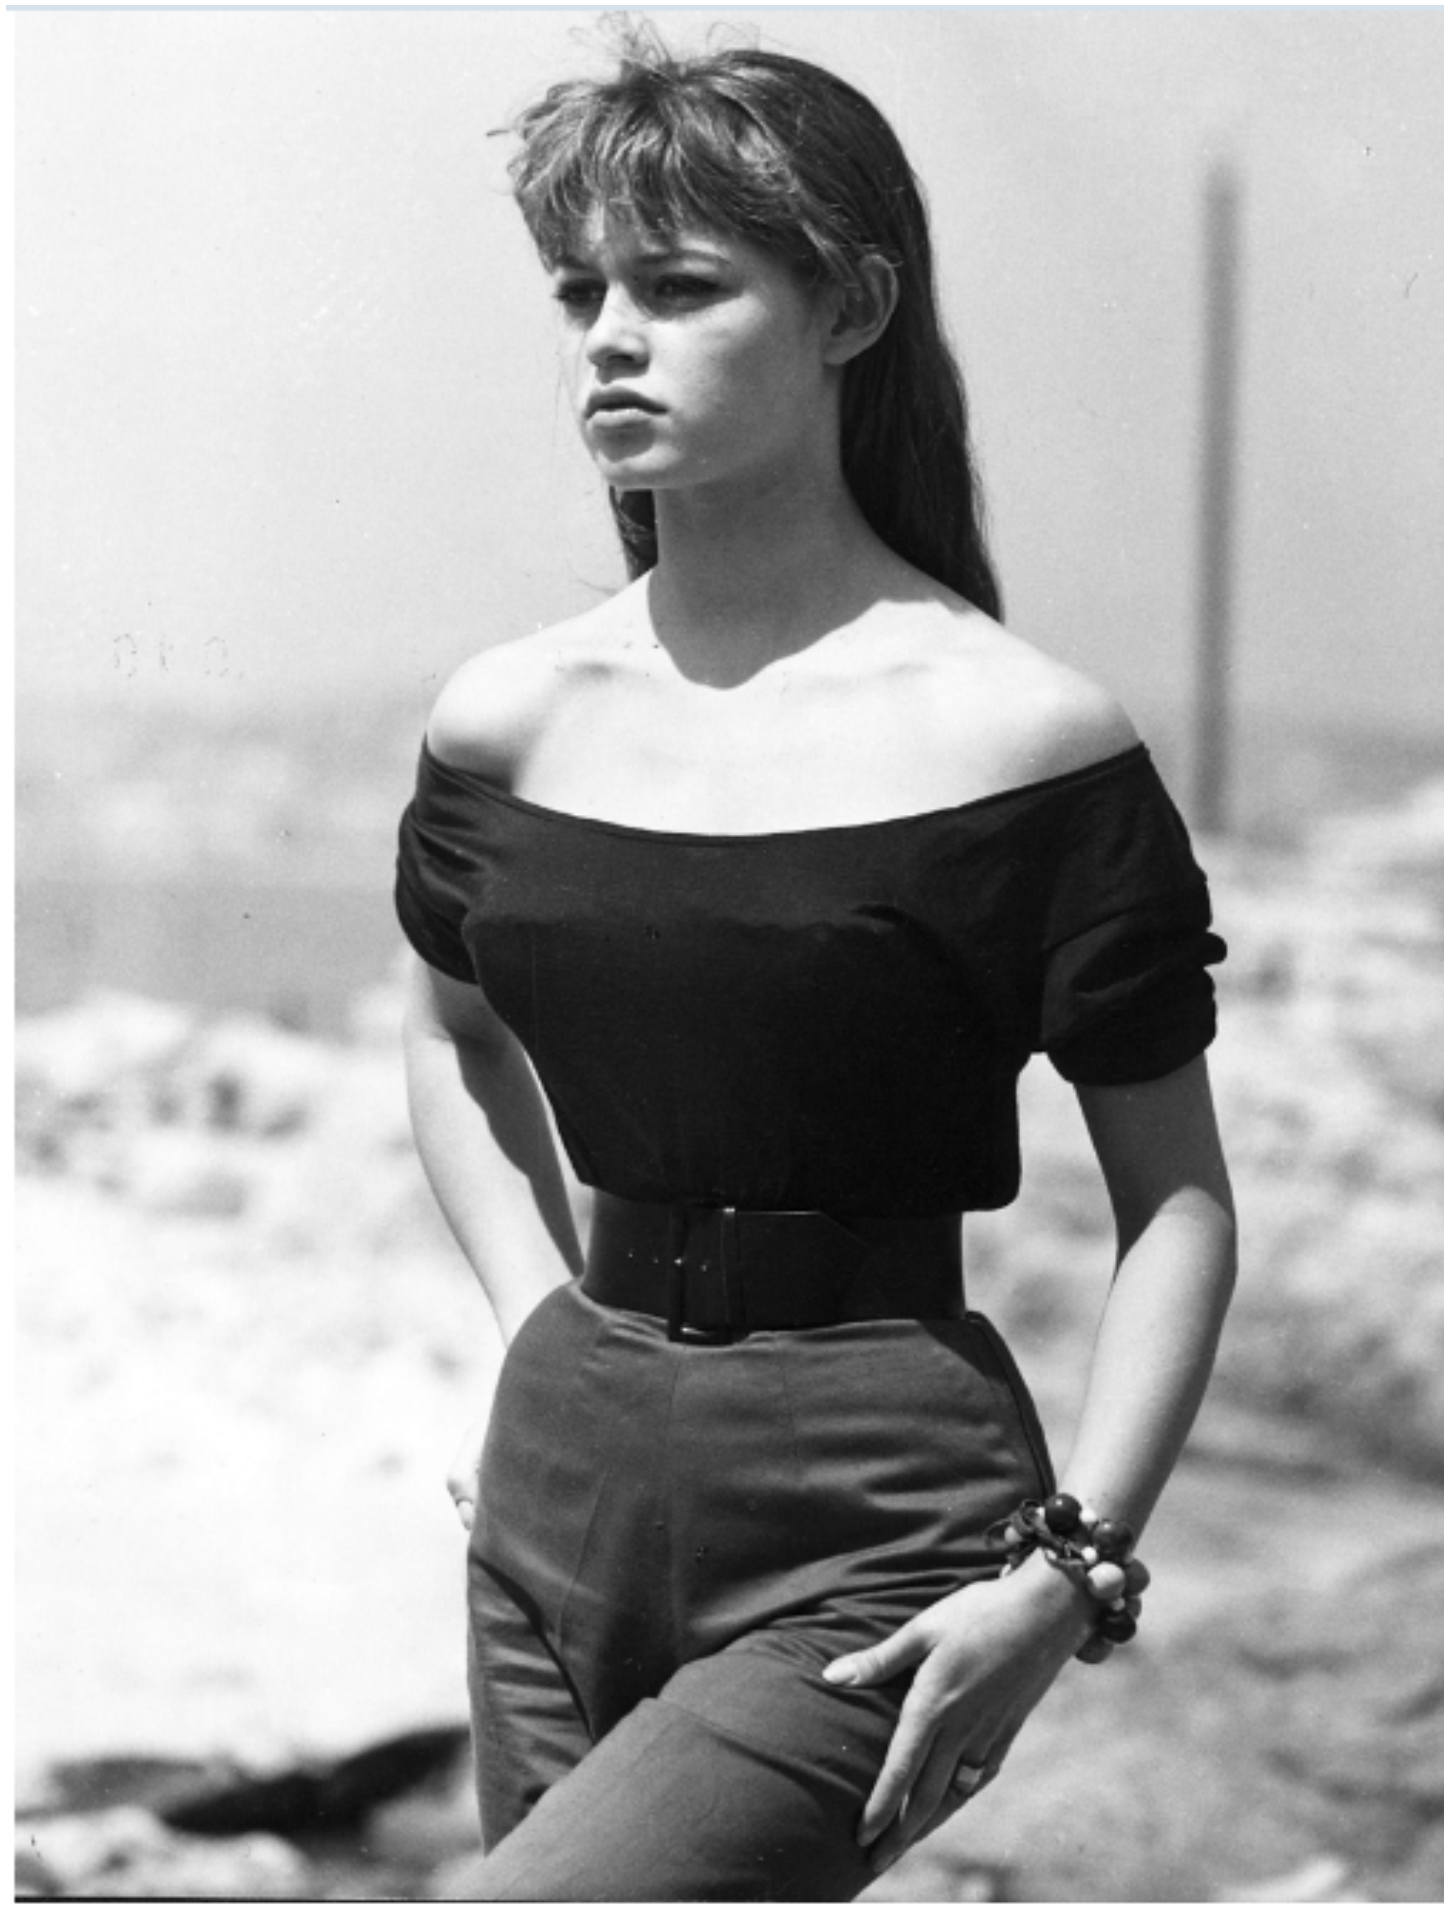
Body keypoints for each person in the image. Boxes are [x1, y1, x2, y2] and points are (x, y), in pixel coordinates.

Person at [396, 27, 1236, 1902]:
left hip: (877, 1529)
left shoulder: (1026, 741)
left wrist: (1070, 1570)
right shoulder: (508, 716)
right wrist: (536, 1331)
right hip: (553, 1484)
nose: (610, 340)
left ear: (851, 308)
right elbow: (451, 1044)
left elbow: (1176, 1201)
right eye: (582, 292)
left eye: (680, 288)